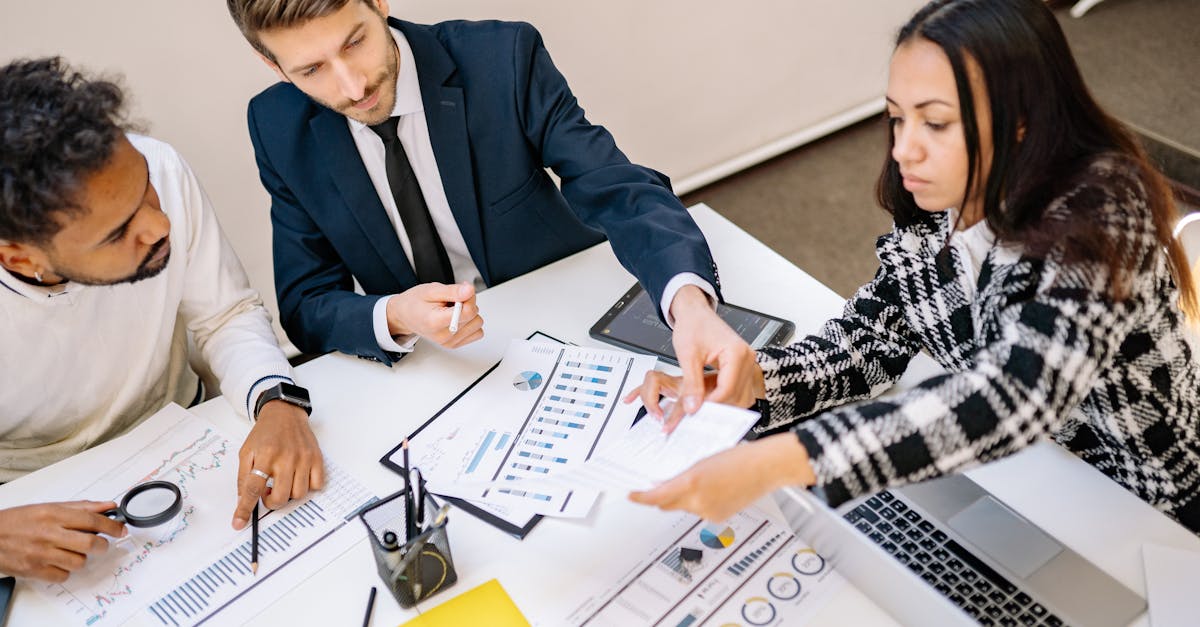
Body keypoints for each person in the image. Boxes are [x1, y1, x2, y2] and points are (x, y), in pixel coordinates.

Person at [627, 0, 1200, 534]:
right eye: (898, 119)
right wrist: (751, 383)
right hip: (1021, 482)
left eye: (936, 123)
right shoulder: (938, 213)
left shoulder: (1103, 209)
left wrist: (780, 460)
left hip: (1147, 508)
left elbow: (1014, 394)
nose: (903, 149)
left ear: (1021, 121)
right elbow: (864, 347)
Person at [224, 0, 758, 416]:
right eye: (311, 69)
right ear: (271, 64)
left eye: (356, 42)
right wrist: (393, 314)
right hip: (436, 368)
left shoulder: (503, 58)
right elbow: (304, 301)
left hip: (570, 325)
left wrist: (688, 304)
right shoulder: (276, 126)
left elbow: (617, 186)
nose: (353, 85)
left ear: (379, 3)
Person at [0, 58, 326, 582]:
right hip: (30, 497)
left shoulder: (161, 166)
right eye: (116, 233)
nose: (159, 224)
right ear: (20, 259)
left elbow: (225, 315)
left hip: (184, 436)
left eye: (144, 188)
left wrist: (277, 402)